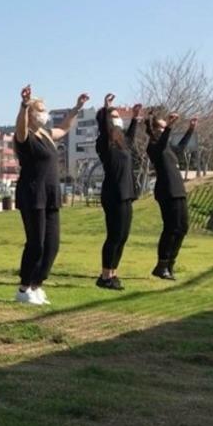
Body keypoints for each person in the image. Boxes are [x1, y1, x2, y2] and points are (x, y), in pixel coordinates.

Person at [12, 87, 87, 305]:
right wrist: (24, 105)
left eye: (45, 110)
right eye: (40, 111)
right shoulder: (24, 135)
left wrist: (76, 109)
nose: (44, 114)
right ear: (31, 115)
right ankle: (24, 288)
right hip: (33, 193)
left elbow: (63, 129)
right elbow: (20, 127)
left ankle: (37, 285)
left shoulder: (46, 134)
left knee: (52, 244)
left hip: (51, 194)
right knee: (36, 243)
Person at [95, 95, 140, 290]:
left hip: (127, 193)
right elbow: (106, 130)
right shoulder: (104, 142)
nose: (117, 118)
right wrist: (107, 107)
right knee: (114, 235)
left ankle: (113, 273)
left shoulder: (122, 142)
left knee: (123, 236)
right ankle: (105, 276)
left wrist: (136, 117)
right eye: (113, 116)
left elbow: (130, 137)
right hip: (113, 194)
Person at [146, 111, 196, 280]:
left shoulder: (167, 146)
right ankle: (161, 265)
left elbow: (180, 148)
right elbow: (160, 146)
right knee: (171, 228)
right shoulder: (152, 146)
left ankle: (171, 264)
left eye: (163, 127)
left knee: (183, 227)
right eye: (160, 127)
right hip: (166, 191)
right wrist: (169, 126)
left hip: (179, 189)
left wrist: (190, 129)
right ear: (153, 129)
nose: (163, 129)